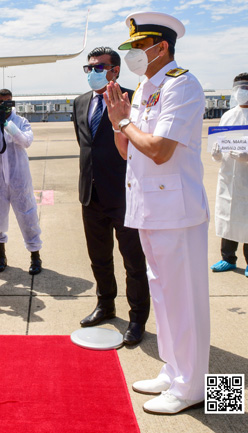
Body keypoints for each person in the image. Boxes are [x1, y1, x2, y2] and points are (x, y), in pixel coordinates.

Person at [104, 12, 210, 415]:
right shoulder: (147, 86)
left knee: (188, 301)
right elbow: (128, 149)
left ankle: (197, 387)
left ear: (161, 46)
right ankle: (175, 371)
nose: (130, 53)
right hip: (150, 208)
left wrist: (124, 120)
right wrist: (120, 125)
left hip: (178, 211)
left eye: (137, 46)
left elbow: (160, 150)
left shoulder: (182, 84)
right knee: (164, 297)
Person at [72, 47, 150, 345]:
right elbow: (85, 144)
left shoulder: (133, 99)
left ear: (115, 70)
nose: (93, 72)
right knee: (99, 258)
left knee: (133, 262)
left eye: (99, 67)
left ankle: (137, 318)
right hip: (90, 195)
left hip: (124, 194)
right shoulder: (80, 103)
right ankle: (106, 304)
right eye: (89, 67)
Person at [0, 89, 42, 275]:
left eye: (8, 101)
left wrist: (7, 124)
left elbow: (26, 141)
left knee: (28, 217)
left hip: (19, 179)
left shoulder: (21, 121)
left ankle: (35, 257)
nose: (4, 105)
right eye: (1, 102)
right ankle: (0, 256)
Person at [210, 73, 248, 278]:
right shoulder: (228, 116)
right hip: (229, 177)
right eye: (237, 88)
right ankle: (228, 258)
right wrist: (216, 153)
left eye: (245, 88)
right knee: (227, 217)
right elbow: (219, 142)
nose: (241, 92)